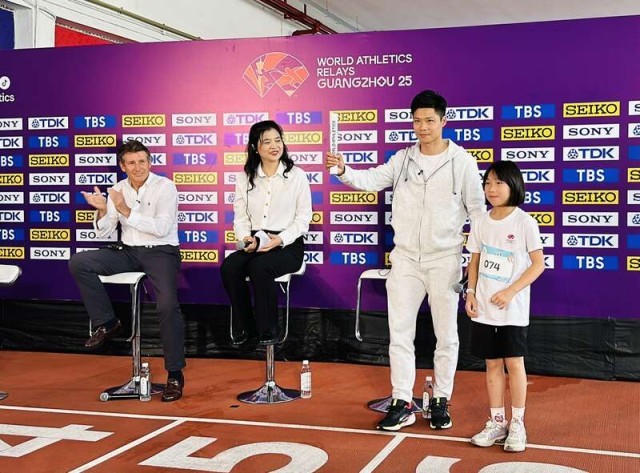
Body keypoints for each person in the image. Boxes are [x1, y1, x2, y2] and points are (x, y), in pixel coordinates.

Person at [326, 90, 485, 431]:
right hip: (406, 261)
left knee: (447, 336)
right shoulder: (402, 160)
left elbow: (478, 213)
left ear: (443, 121)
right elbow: (370, 180)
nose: (423, 127)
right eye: (417, 121)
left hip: (445, 260)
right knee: (399, 334)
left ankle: (440, 400)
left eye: (429, 120)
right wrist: (343, 170)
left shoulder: (462, 162)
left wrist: (475, 264)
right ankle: (402, 401)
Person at [68, 139, 186, 402]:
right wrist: (102, 211)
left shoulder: (165, 187)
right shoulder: (118, 189)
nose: (138, 167)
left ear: (150, 162)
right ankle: (108, 323)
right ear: (122, 166)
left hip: (161, 252)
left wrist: (125, 210)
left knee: (167, 306)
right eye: (131, 163)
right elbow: (106, 231)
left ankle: (175, 374)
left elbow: (161, 228)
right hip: (129, 251)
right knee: (79, 262)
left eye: (142, 161)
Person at [465, 160, 544, 452]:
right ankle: (497, 422)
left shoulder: (525, 222)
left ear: (513, 185)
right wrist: (470, 293)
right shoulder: (480, 222)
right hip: (484, 308)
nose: (492, 189)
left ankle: (518, 424)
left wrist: (511, 292)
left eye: (499, 182)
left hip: (513, 309)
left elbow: (538, 264)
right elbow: (474, 261)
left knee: (514, 363)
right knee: (492, 364)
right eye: (488, 183)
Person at [221, 120, 312, 346]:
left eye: (277, 140)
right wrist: (245, 238)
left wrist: (281, 239)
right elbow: (240, 217)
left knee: (260, 267)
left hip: (287, 244)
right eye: (267, 141)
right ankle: (246, 326)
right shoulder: (244, 177)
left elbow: (303, 218)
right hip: (256, 241)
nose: (274, 146)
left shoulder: (297, 176)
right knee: (230, 267)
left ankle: (269, 329)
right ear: (255, 147)